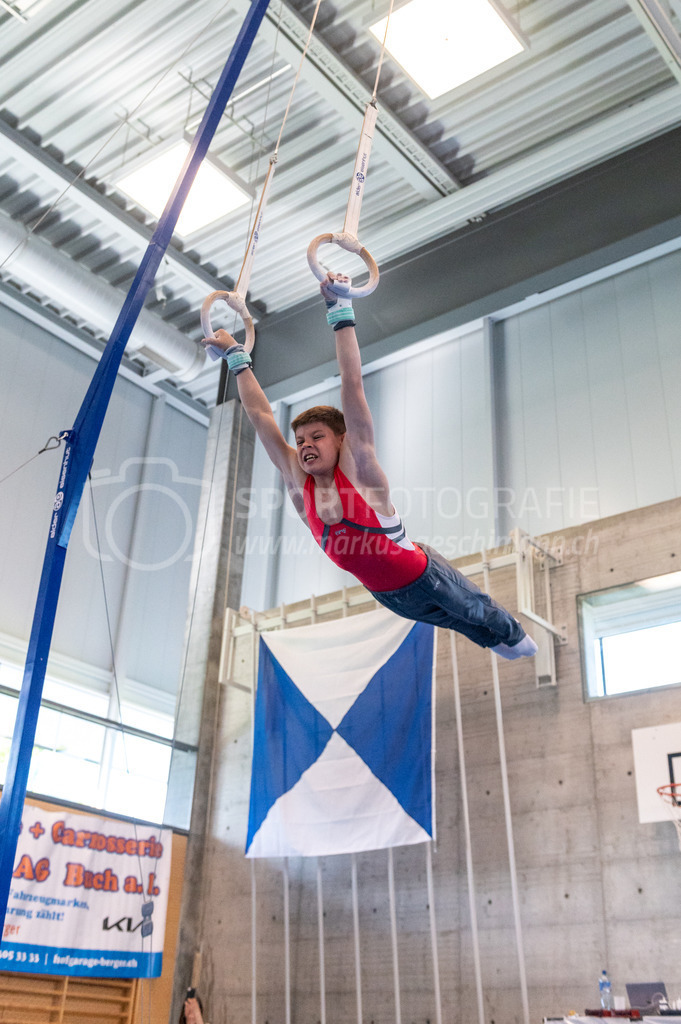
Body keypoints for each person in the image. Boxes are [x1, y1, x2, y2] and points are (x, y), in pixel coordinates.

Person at [202, 274, 537, 659]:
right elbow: (261, 416)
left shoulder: (358, 471)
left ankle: (513, 634)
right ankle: (499, 643)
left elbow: (352, 383)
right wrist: (237, 359)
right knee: (457, 623)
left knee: (475, 611)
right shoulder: (298, 483)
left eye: (317, 437)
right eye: (301, 440)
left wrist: (339, 311)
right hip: (389, 597)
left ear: (342, 440)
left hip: (425, 574)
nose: (305, 446)